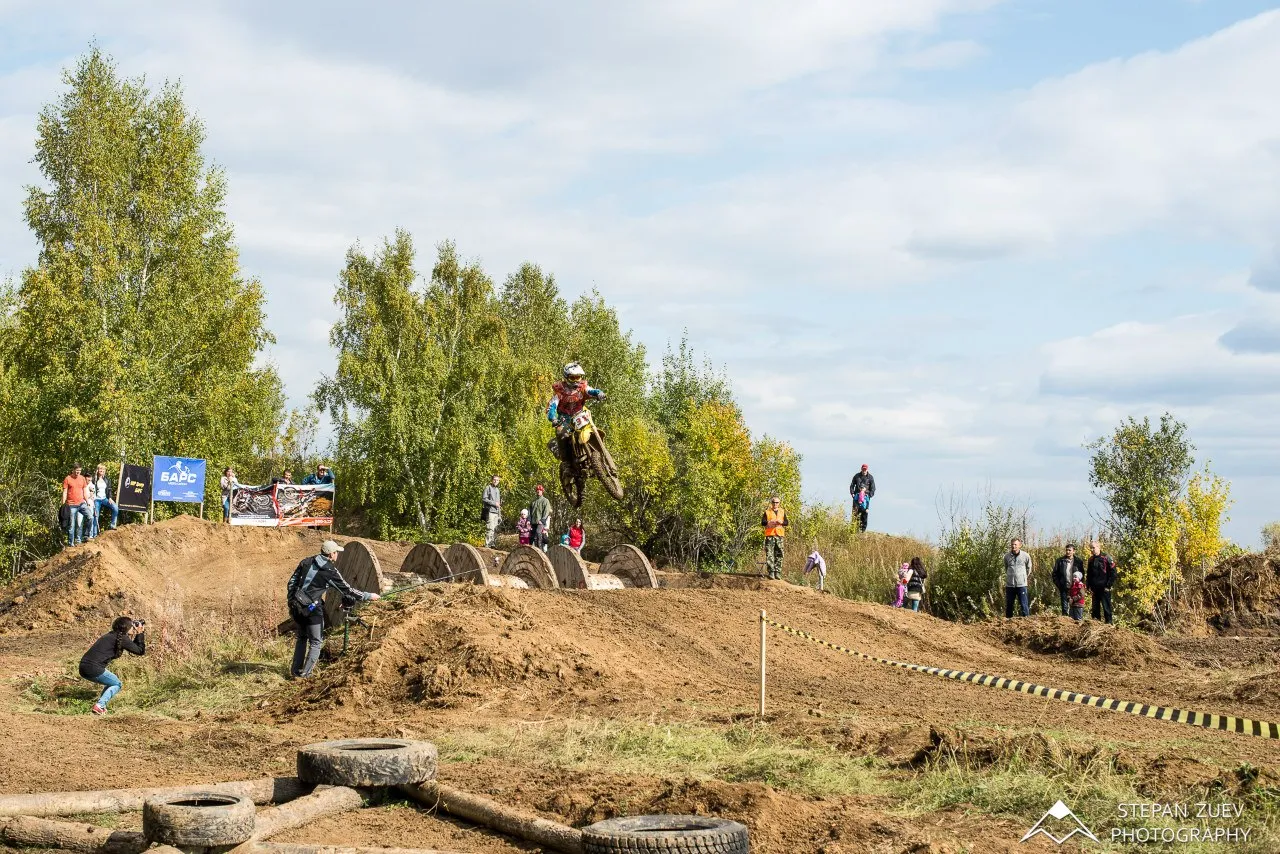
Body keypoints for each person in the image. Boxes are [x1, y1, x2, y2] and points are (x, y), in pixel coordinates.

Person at [286, 540, 380, 679]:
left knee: (302, 637)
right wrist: (369, 596)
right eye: (336, 552)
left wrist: (291, 600)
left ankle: (295, 672)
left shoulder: (306, 561)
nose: (337, 555)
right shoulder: (330, 571)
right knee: (316, 642)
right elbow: (348, 590)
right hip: (312, 610)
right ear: (331, 554)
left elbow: (291, 583)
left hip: (296, 607)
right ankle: (305, 675)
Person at [79, 616, 146, 715]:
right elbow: (140, 651)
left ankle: (101, 707)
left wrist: (138, 634)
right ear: (126, 627)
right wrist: (140, 633)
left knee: (111, 682)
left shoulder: (112, 635)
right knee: (117, 684)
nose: (133, 628)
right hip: (93, 668)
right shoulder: (122, 638)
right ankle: (99, 706)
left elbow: (135, 648)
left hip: (84, 667)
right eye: (132, 626)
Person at [547, 362, 606, 461]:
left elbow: (591, 391)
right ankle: (566, 460)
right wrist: (553, 418)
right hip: (565, 420)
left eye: (578, 377)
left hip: (580, 415)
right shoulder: (560, 392)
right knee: (561, 433)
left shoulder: (583, 387)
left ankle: (600, 452)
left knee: (592, 427)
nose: (575, 381)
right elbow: (552, 406)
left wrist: (599, 393)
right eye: (572, 378)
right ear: (566, 377)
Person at [1086, 540, 1117, 624]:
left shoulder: (1106, 557)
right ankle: (1095, 626)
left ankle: (1109, 625)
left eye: (1093, 548)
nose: (1092, 550)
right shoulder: (1091, 560)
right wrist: (1088, 586)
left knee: (1107, 609)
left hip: (1104, 588)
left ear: (1098, 547)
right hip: (1094, 589)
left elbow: (1114, 573)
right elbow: (1089, 574)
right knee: (1095, 610)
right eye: (1090, 548)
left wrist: (1108, 586)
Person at [61, 464, 91, 546]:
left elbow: (84, 490)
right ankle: (71, 543)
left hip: (81, 503)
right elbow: (65, 492)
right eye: (77, 470)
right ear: (73, 470)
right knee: (72, 525)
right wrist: (63, 504)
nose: (78, 472)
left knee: (90, 517)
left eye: (80, 471)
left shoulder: (82, 478)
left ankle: (86, 536)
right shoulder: (68, 479)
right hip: (71, 505)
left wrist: (87, 501)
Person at [1052, 544, 1085, 617]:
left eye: (1070, 550)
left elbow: (1082, 574)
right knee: (1064, 608)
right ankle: (1065, 622)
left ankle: (1075, 622)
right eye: (1066, 550)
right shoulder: (1060, 561)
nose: (1068, 552)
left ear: (1074, 551)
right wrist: (1059, 584)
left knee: (1075, 607)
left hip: (1075, 588)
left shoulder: (1078, 561)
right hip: (1064, 586)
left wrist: (1080, 585)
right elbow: (1054, 574)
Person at [1003, 538, 1032, 618]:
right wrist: (1010, 577)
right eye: (1012, 544)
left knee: (1023, 604)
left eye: (1015, 544)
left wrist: (1024, 577)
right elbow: (1006, 567)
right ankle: (1008, 621)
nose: (1013, 546)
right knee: (1009, 605)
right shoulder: (1007, 556)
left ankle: (1026, 620)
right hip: (1010, 585)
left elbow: (1029, 568)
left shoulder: (1025, 556)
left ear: (1020, 545)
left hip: (1021, 585)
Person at [761, 496, 787, 580]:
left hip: (779, 536)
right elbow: (763, 522)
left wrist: (781, 522)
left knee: (779, 553)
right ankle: (771, 572)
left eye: (777, 502)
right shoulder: (767, 512)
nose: (775, 504)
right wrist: (769, 522)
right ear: (771, 503)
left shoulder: (782, 511)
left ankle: (777, 572)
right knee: (770, 554)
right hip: (770, 535)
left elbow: (786, 522)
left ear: (779, 503)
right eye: (774, 502)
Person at [89, 464, 118, 537]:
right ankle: (94, 534)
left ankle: (112, 525)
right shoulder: (94, 479)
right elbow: (90, 487)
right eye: (100, 469)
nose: (102, 471)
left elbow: (109, 489)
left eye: (103, 469)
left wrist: (110, 497)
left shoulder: (107, 479)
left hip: (105, 499)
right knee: (96, 516)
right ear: (97, 470)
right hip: (97, 499)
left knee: (115, 508)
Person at [849, 464, 876, 531]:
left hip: (865, 498)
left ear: (867, 469)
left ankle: (862, 531)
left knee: (864, 514)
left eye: (865, 469)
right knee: (855, 513)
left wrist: (869, 495)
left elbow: (873, 488)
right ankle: (854, 529)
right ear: (861, 468)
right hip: (856, 497)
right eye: (863, 469)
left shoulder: (870, 477)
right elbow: (852, 485)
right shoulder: (856, 476)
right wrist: (852, 493)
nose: (864, 470)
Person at [528, 485, 552, 552]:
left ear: (542, 491)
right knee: (531, 537)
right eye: (537, 490)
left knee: (538, 533)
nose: (538, 491)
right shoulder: (533, 501)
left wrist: (542, 520)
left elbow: (546, 511)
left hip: (540, 522)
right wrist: (529, 520)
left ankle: (540, 551)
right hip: (533, 522)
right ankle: (532, 551)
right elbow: (529, 511)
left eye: (540, 490)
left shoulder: (545, 501)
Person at [481, 475, 502, 548]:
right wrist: (494, 503)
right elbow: (484, 499)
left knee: (495, 529)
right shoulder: (488, 488)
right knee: (490, 528)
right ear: (492, 480)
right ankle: (487, 545)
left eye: (497, 480)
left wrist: (499, 515)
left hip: (496, 512)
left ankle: (492, 544)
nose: (496, 481)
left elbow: (498, 504)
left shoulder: (498, 490)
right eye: (494, 480)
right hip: (490, 511)